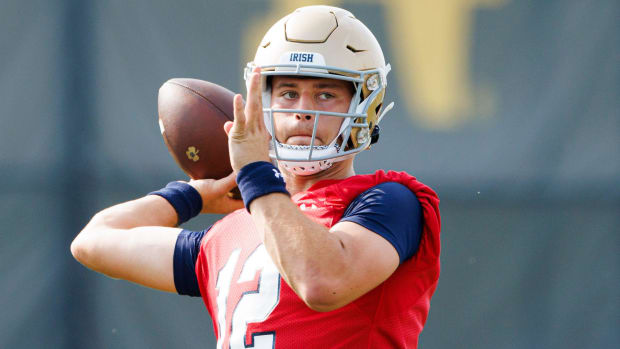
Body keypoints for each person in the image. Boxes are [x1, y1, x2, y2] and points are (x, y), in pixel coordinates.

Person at [71, 5, 440, 348]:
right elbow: (95, 241)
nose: (303, 112)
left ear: (365, 104)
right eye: (289, 93)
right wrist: (195, 196)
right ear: (261, 105)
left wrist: (257, 177)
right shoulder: (231, 231)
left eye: (325, 94)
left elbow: (322, 282)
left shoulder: (390, 200)